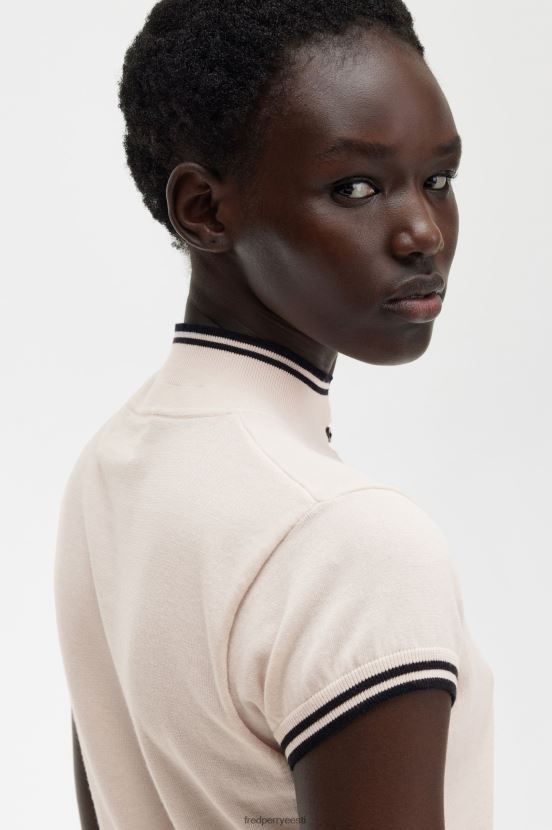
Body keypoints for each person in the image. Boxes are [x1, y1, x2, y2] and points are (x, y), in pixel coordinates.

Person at [53, 1, 494, 828]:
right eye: (355, 187)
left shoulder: (107, 472)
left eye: (439, 179)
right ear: (204, 210)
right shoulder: (349, 541)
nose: (422, 232)